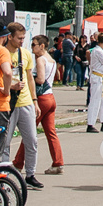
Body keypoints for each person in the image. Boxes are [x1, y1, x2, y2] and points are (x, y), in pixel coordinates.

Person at [0, 22, 45, 189]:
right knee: (5, 142)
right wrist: (10, 87)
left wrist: (35, 101)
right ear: (9, 37)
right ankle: (2, 176)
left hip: (25, 101)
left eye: (24, 38)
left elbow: (30, 78)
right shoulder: (1, 53)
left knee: (32, 140)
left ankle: (30, 174)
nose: (22, 41)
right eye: (19, 38)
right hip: (7, 102)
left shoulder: (24, 54)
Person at [28, 35, 66, 175]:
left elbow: (40, 79)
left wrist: (30, 77)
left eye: (34, 45)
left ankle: (18, 163)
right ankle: (58, 162)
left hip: (42, 98)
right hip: (50, 97)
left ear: (42, 46)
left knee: (29, 131)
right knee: (51, 133)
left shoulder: (40, 59)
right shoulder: (52, 60)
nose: (32, 47)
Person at [84, 35, 103, 131]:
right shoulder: (98, 51)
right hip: (97, 78)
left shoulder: (98, 50)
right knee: (95, 100)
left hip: (101, 78)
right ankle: (90, 123)